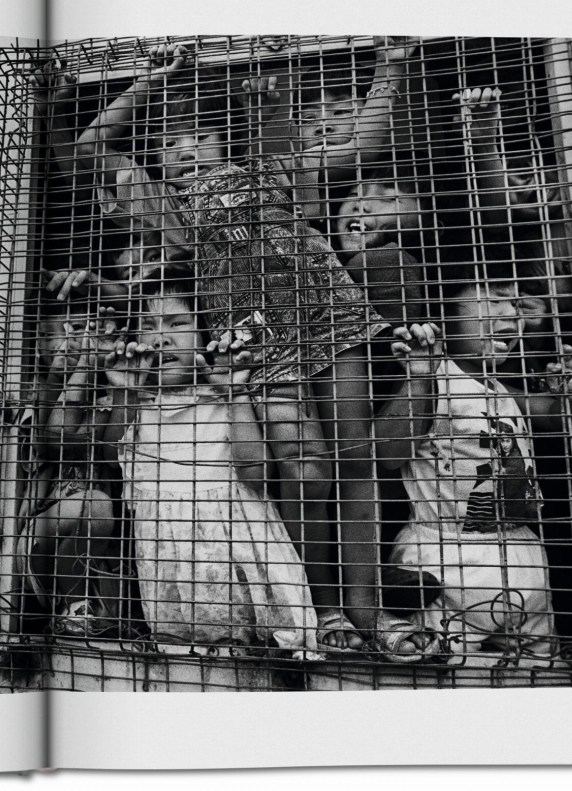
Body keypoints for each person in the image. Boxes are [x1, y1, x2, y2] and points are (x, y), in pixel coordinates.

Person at [70, 44, 399, 655]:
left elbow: (358, 147)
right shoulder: (167, 206)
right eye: (168, 145)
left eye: (197, 137)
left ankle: (366, 607)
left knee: (356, 458)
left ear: (226, 144)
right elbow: (91, 149)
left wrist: (392, 64)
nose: (184, 150)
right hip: (256, 344)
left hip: (332, 320)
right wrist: (148, 80)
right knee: (303, 467)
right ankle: (321, 608)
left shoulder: (272, 171)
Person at [76, 281, 316, 654]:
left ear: (205, 332)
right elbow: (115, 459)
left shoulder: (225, 397)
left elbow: (256, 475)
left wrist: (235, 393)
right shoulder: (138, 406)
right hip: (172, 572)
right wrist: (126, 391)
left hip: (242, 555)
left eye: (176, 324)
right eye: (148, 326)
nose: (160, 339)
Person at [373, 257, 572, 666]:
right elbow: (385, 454)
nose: (511, 315)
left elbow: (563, 416)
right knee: (446, 674)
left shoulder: (498, 387)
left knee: (540, 677)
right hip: (451, 565)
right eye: (494, 301)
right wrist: (419, 376)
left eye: (518, 305)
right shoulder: (433, 377)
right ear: (445, 316)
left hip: (523, 561)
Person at [27, 300, 125, 635]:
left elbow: (113, 451)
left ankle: (80, 608)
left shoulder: (115, 394)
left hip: (97, 546)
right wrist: (80, 366)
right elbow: (52, 439)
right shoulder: (41, 390)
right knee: (95, 505)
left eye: (85, 332)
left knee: (98, 506)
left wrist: (111, 373)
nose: (65, 342)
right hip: (46, 534)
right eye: (51, 334)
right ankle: (72, 604)